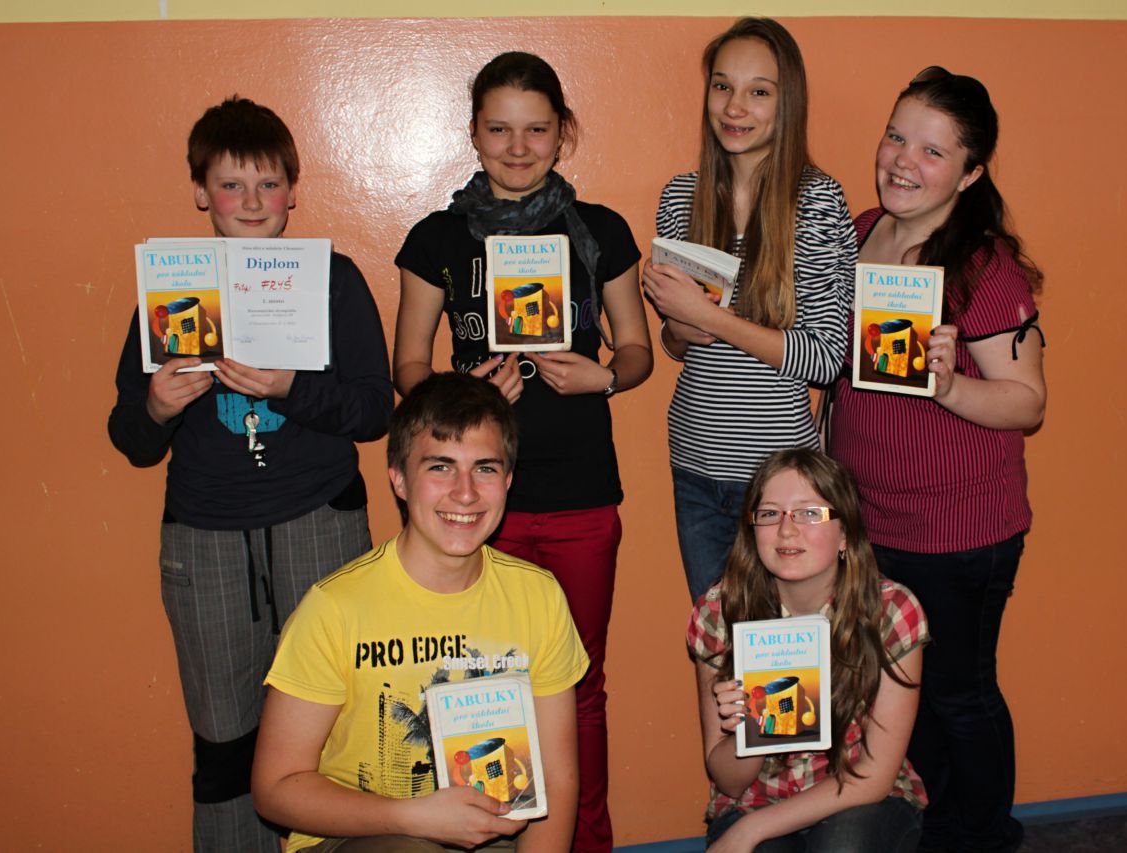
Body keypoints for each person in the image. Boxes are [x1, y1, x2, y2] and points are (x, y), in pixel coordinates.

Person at [106, 97, 393, 851]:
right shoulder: (171, 290)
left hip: (321, 523)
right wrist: (157, 407)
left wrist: (292, 388)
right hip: (204, 540)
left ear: (293, 190)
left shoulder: (332, 280)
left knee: (337, 732)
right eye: (231, 185)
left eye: (268, 184)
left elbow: (374, 411)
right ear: (201, 192)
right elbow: (130, 439)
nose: (253, 201)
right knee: (225, 742)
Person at [393, 51, 652, 852]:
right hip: (471, 504)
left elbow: (638, 350)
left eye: (536, 129)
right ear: (473, 133)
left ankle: (586, 842)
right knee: (475, 687)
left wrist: (605, 376)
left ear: (562, 131)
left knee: (578, 688)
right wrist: (461, 389)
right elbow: (407, 366)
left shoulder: (600, 230)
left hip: (579, 495)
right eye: (499, 129)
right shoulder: (437, 237)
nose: (517, 147)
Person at [827, 67, 1047, 853]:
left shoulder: (985, 267)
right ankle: (924, 830)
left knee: (957, 695)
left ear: (971, 171)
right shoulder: (862, 232)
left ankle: (981, 836)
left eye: (931, 150)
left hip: (960, 531)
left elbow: (1027, 401)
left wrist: (950, 387)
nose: (901, 160)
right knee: (896, 691)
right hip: (870, 521)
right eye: (896, 136)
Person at [253, 371, 589, 852]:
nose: (466, 493)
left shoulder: (539, 596)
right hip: (359, 834)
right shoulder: (335, 609)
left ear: (508, 480)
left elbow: (557, 778)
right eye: (441, 467)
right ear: (399, 480)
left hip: (493, 829)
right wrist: (413, 816)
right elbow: (276, 788)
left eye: (485, 468)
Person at [642, 17, 855, 603]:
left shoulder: (817, 200)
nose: (735, 107)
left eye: (759, 91)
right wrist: (679, 324)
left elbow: (825, 359)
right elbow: (678, 343)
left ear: (788, 103)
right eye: (722, 86)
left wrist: (710, 317)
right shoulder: (680, 196)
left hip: (782, 484)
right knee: (718, 644)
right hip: (694, 464)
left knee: (782, 651)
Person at [687, 448, 928, 852]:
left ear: (845, 533)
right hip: (756, 798)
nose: (786, 530)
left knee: (842, 845)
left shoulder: (890, 610)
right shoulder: (719, 613)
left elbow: (875, 774)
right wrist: (752, 728)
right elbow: (729, 780)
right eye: (769, 514)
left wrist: (750, 831)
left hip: (860, 795)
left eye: (809, 513)